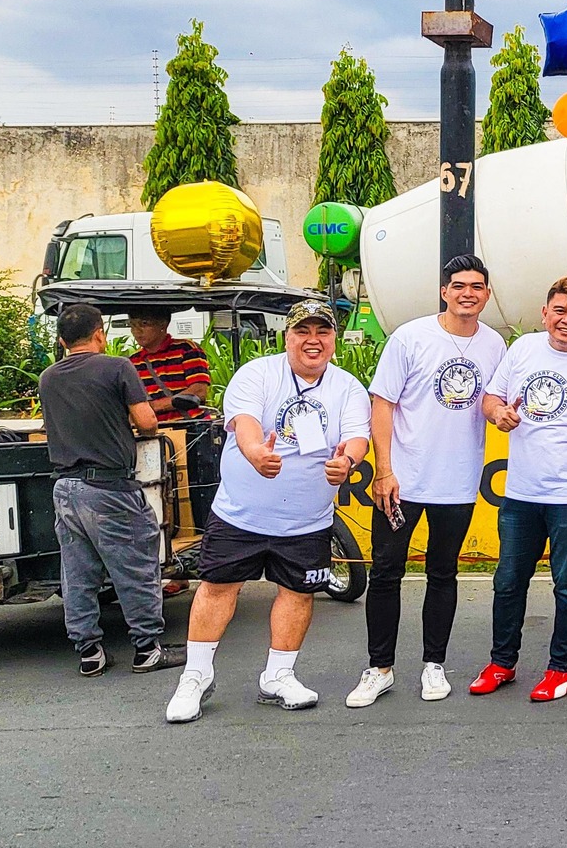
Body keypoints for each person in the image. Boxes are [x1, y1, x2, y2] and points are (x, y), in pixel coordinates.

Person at [165, 299, 369, 723]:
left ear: (333, 338)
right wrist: (256, 452)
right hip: (241, 515)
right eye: (303, 331)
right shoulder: (257, 373)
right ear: (287, 337)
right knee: (218, 588)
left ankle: (278, 675)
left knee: (297, 593)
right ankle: (195, 677)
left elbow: (356, 437)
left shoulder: (348, 387)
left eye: (323, 332)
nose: (313, 340)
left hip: (307, 520)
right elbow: (244, 422)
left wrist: (347, 461)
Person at [345, 254, 508, 709]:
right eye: (459, 286)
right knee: (386, 572)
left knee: (443, 572)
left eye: (476, 286)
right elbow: (382, 404)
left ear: (487, 295)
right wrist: (384, 470)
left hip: (457, 482)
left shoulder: (495, 344)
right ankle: (379, 669)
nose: (467, 294)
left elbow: (495, 400)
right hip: (402, 481)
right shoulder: (410, 337)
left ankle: (434, 664)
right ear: (444, 292)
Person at [468, 275, 567, 704]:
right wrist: (498, 414)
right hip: (521, 491)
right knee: (508, 581)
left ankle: (561, 670)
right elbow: (491, 399)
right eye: (560, 310)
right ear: (545, 313)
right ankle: (502, 663)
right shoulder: (523, 349)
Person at [39, 303, 184, 677]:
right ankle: (147, 649)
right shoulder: (117, 367)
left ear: (62, 341)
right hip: (109, 486)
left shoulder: (48, 377)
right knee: (136, 567)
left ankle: (89, 652)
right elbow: (147, 423)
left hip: (65, 488)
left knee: (78, 574)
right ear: (100, 334)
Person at [124, 308, 212, 420]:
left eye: (144, 324)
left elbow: (199, 391)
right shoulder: (132, 361)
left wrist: (155, 406)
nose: (137, 330)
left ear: (163, 324)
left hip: (191, 424)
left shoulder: (186, 349)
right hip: (154, 427)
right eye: (132, 325)